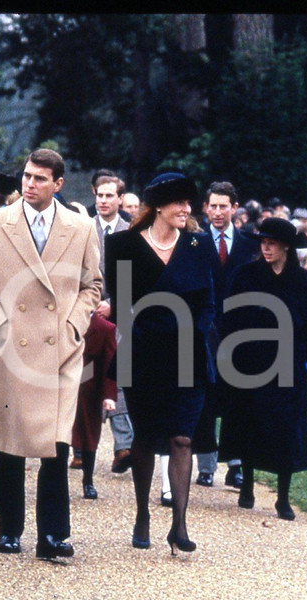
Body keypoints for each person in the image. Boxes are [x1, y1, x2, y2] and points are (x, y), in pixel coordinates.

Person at [0, 148, 103, 559]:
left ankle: (53, 535)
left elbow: (93, 285)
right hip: (11, 347)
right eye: (26, 176)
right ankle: (9, 528)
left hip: (60, 350)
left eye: (40, 178)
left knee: (56, 445)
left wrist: (74, 323)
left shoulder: (81, 227)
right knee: (10, 441)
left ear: (58, 184)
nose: (29, 184)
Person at [105, 172, 215, 554]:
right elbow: (122, 305)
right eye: (179, 203)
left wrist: (193, 333)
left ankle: (179, 525)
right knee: (146, 439)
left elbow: (208, 302)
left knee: (183, 437)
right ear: (159, 207)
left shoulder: (200, 243)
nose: (187, 209)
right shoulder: (122, 244)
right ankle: (141, 514)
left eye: (189, 202)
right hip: (143, 355)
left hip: (189, 356)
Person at [221, 217, 307, 520]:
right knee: (249, 421)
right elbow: (230, 319)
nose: (266, 248)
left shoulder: (305, 281)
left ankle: (283, 497)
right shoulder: (245, 275)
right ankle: (248, 485)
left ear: (287, 247)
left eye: (273, 243)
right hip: (249, 360)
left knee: (286, 428)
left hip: (287, 362)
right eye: (263, 243)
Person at [196, 181, 257, 489]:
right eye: (212, 206)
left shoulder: (251, 244)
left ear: (235, 208)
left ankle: (236, 464)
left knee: (239, 398)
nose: (217, 212)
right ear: (205, 208)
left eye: (223, 206)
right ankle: (205, 463)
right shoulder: (193, 242)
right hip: (204, 330)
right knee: (204, 396)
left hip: (241, 331)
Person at [89, 174, 135, 475]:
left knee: (117, 376)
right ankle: (82, 448)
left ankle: (123, 445)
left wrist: (114, 305)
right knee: (84, 377)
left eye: (109, 196)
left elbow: (139, 277)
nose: (103, 200)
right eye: (100, 195)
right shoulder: (82, 229)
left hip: (121, 315)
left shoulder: (131, 232)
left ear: (120, 198)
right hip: (86, 312)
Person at [72, 311, 118, 500]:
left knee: (89, 435)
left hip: (89, 389)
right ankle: (54, 482)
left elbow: (109, 364)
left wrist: (109, 395)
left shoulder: (105, 328)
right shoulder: (62, 319)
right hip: (60, 384)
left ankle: (88, 480)